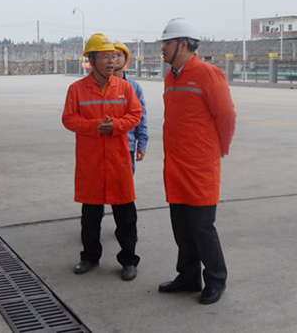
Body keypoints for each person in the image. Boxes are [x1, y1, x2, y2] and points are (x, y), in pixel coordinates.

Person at [155, 18, 236, 305]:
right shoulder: (170, 77)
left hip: (200, 166)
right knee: (182, 227)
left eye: (167, 42)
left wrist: (220, 148)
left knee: (202, 227)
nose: (162, 48)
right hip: (175, 165)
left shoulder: (207, 73)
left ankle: (216, 280)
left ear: (184, 44)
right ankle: (188, 277)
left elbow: (226, 116)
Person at [62, 33, 143, 281]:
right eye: (105, 57)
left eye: (113, 57)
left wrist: (116, 126)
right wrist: (96, 127)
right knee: (90, 216)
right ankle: (89, 257)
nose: (111, 62)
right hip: (91, 162)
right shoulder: (76, 89)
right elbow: (68, 119)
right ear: (92, 60)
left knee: (126, 216)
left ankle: (128, 261)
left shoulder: (125, 88)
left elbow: (136, 115)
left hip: (118, 161)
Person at [112, 40, 148, 174]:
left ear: (126, 59)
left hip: (128, 146)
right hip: (105, 146)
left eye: (118, 55)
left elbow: (141, 116)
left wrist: (142, 144)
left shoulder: (134, 87)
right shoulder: (100, 85)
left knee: (125, 183)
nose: (115, 59)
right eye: (111, 55)